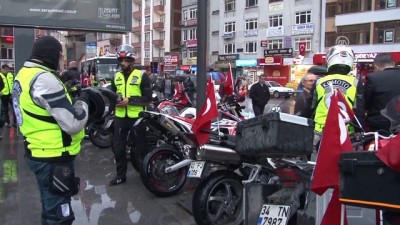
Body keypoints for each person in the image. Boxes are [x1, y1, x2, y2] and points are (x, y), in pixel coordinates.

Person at [12, 36, 89, 224]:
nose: (61, 59)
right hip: (54, 156)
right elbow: (73, 123)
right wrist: (83, 102)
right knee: (59, 216)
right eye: (60, 54)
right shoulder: (44, 78)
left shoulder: (24, 74)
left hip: (38, 150)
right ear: (52, 54)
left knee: (50, 208)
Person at [301, 45, 364, 152]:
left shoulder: (319, 82)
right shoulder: (356, 82)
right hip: (347, 132)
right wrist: (360, 132)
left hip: (321, 131)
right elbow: (359, 111)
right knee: (346, 164)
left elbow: (309, 108)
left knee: (319, 164)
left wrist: (300, 124)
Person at [109, 44, 152, 186]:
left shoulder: (141, 75)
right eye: (121, 61)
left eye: (126, 61)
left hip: (137, 117)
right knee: (118, 148)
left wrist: (130, 101)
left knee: (140, 148)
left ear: (132, 61)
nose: (123, 63)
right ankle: (121, 175)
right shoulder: (116, 76)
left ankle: (146, 173)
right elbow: (112, 95)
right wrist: (114, 102)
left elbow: (148, 98)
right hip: (120, 117)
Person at [364, 53, 400, 133]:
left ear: (376, 67)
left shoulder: (373, 78)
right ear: (393, 64)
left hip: (379, 127)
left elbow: (365, 103)